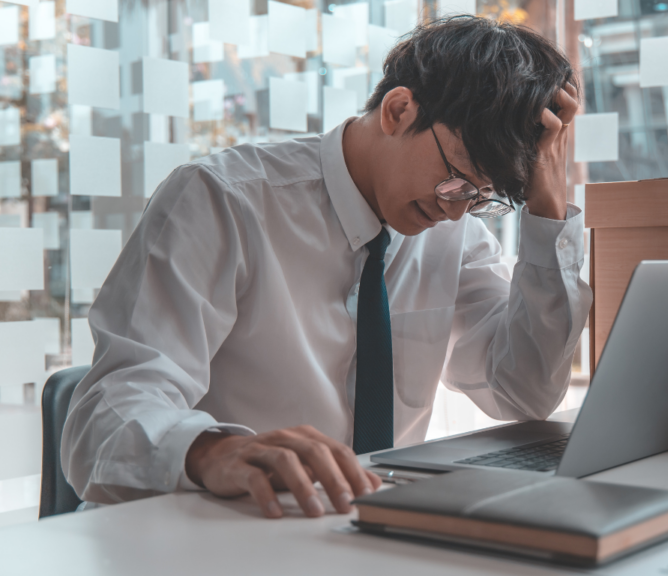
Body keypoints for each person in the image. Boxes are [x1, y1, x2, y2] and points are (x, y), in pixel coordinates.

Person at [61, 16, 592, 519]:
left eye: (481, 197)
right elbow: (101, 422)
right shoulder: (222, 201)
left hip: (366, 535)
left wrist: (547, 209)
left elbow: (523, 393)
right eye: (455, 178)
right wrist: (210, 452)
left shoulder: (456, 235)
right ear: (399, 110)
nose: (455, 208)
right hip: (215, 530)